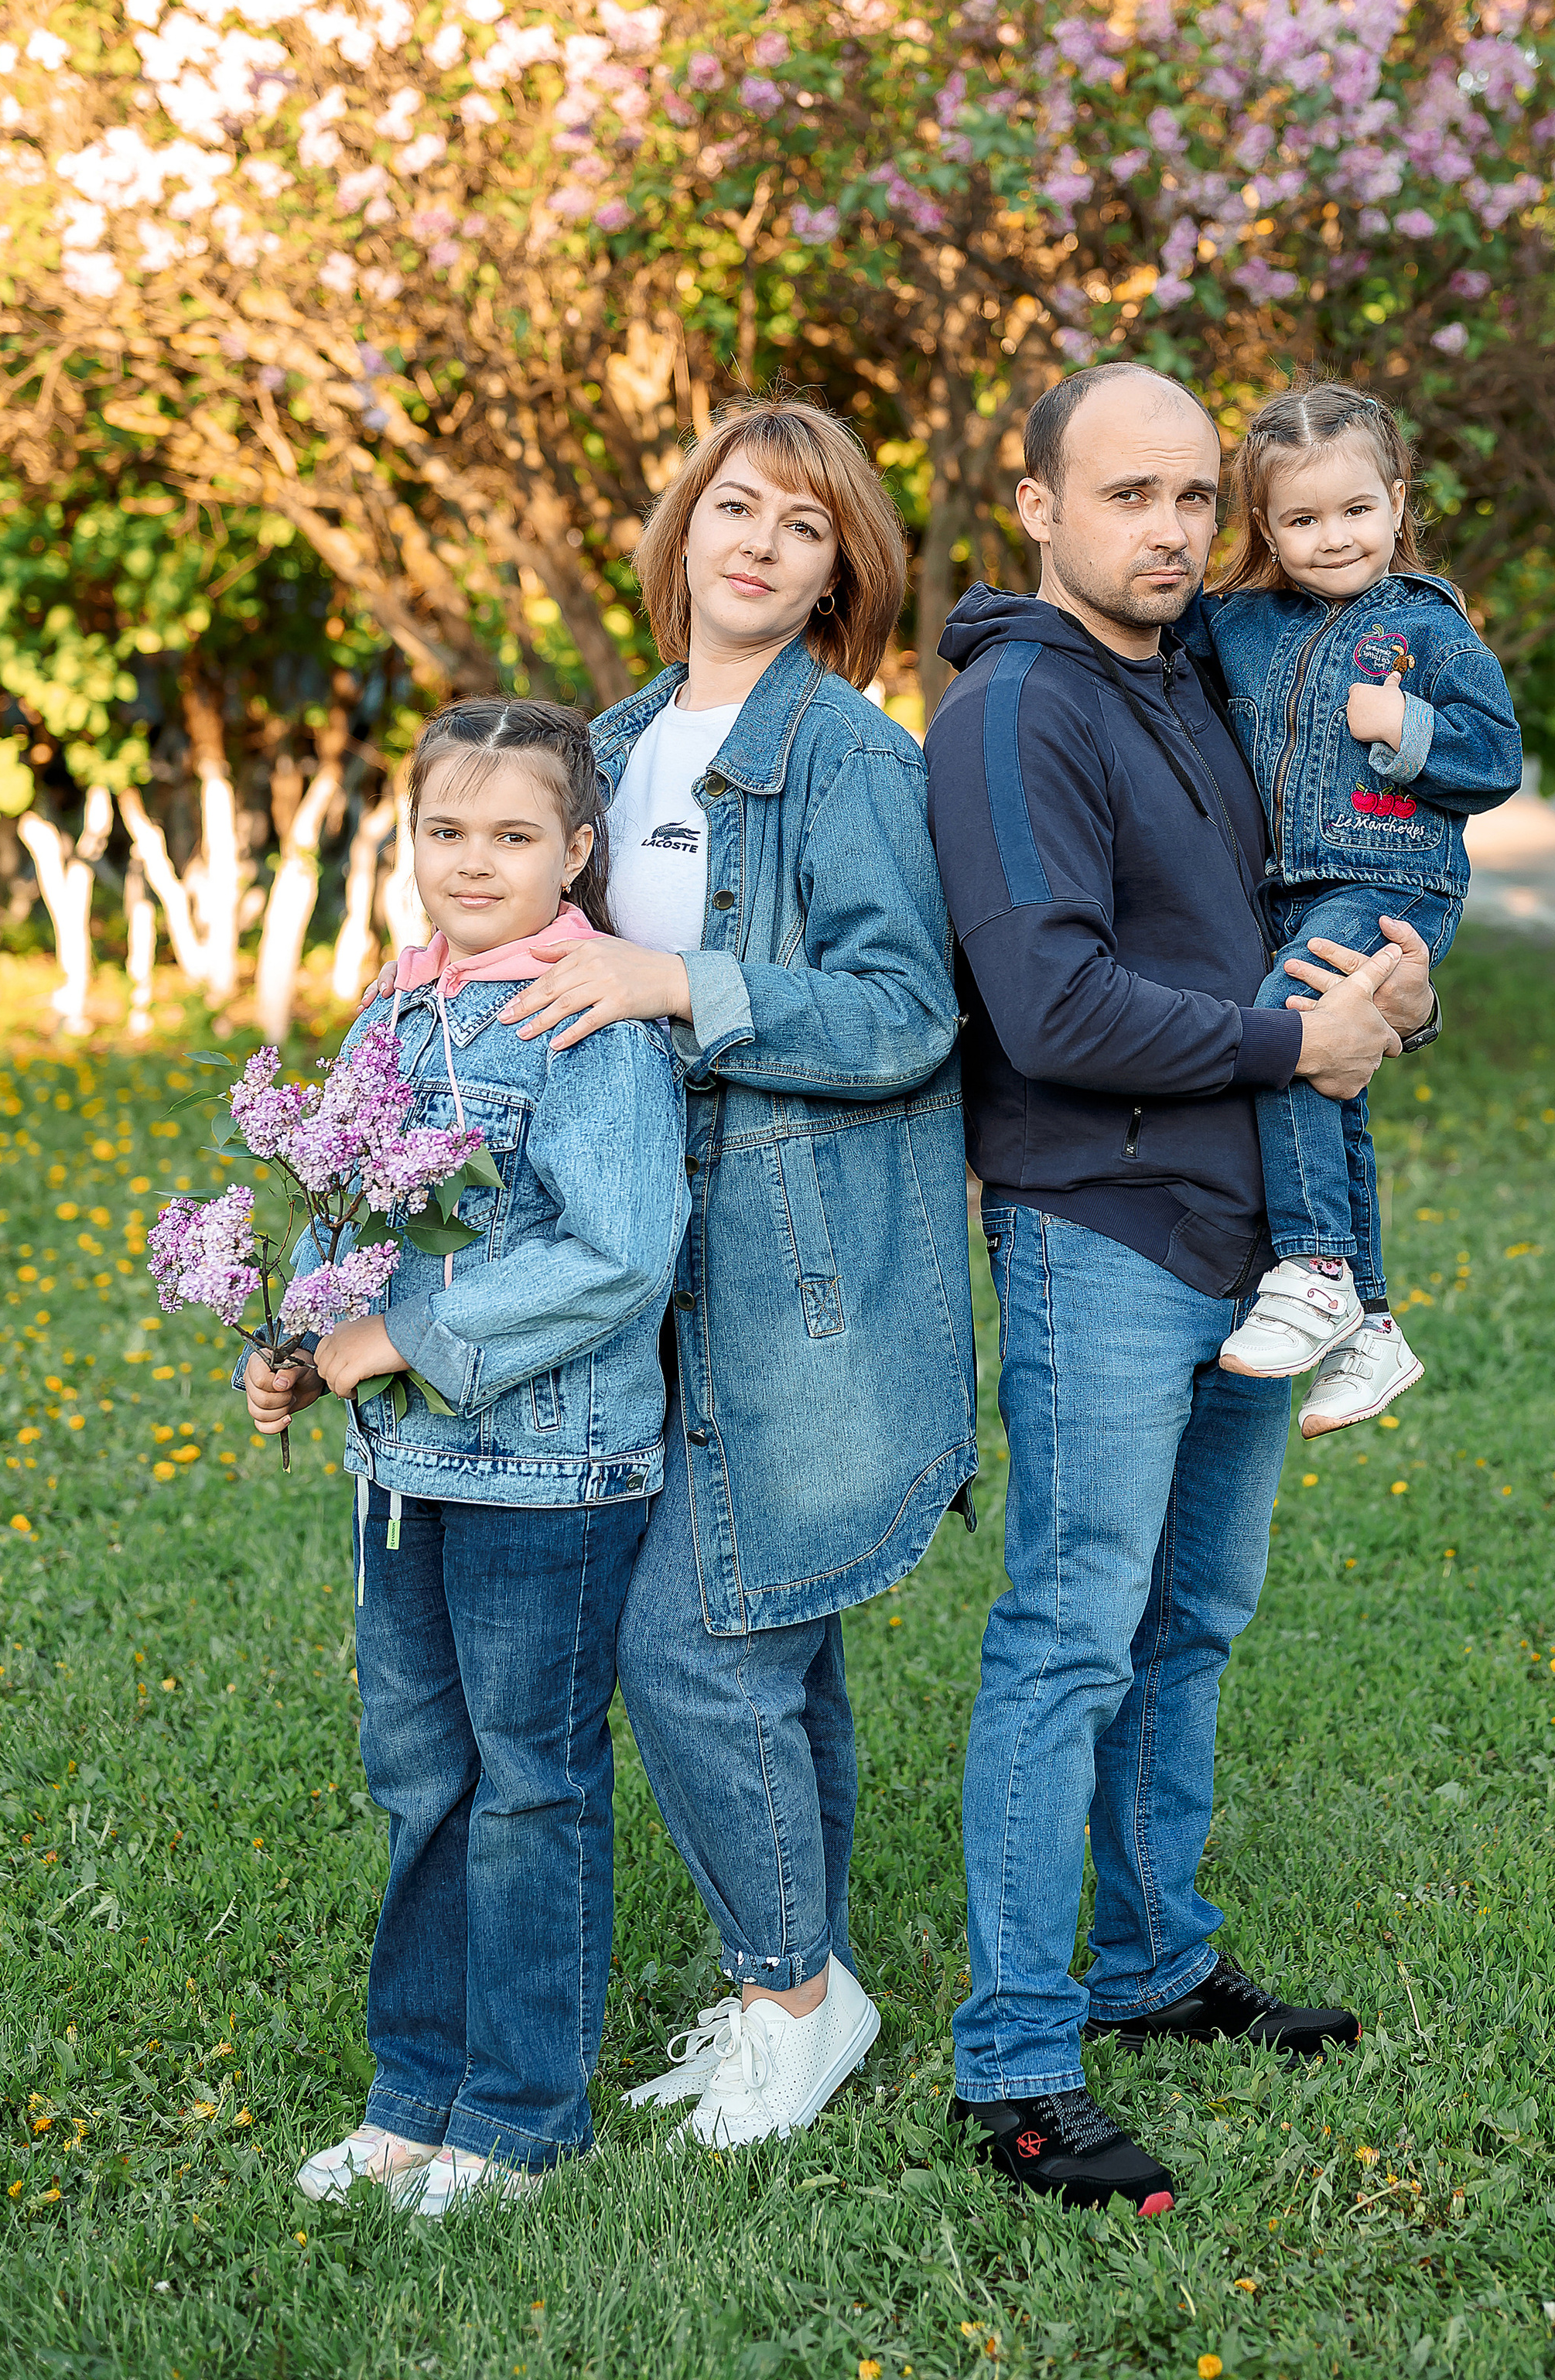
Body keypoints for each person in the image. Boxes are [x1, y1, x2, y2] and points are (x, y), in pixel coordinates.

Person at [924, 361, 1437, 2215]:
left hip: (1242, 1239)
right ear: (1038, 506)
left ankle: (1148, 1961)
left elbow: (1299, 911)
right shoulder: (1010, 713)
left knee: (1189, 1618)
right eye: (1125, 494)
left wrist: (1389, 993)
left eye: (1191, 498)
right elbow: (1046, 1006)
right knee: (1067, 1635)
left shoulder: (1197, 682)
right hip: (1101, 1229)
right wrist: (1287, 1053)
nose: (1166, 530)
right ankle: (1015, 2060)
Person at [497, 398, 977, 2150]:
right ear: (684, 525)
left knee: (692, 1644)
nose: (761, 541)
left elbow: (909, 1014)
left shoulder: (846, 756)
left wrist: (680, 988)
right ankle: (806, 1977)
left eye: (805, 524)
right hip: (639, 1257)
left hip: (794, 1267)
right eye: (736, 504)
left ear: (842, 570)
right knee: (769, 1644)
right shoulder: (610, 744)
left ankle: (795, 1994)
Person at [244, 699, 687, 2217]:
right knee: (424, 1780)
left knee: (528, 1787)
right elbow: (347, 1199)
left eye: (513, 835)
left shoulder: (580, 1015)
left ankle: (518, 2117)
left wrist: (401, 1343)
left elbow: (620, 1253)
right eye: (447, 832)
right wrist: (304, 1336)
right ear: (410, 841)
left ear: (575, 851)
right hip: (404, 1475)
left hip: (548, 1481)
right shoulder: (392, 1012)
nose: (475, 861)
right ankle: (410, 2096)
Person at [1194, 378, 1521, 1428]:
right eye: (1301, 519)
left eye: (1355, 511)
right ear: (1265, 525)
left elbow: (1497, 760)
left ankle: (1318, 1267)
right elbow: (1140, 653)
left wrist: (1407, 725)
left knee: (1296, 1027)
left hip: (1390, 885)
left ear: (1395, 501)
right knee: (1333, 1087)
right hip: (1292, 887)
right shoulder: (1240, 625)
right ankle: (1373, 1328)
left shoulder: (1426, 627)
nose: (1332, 539)